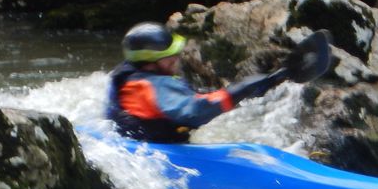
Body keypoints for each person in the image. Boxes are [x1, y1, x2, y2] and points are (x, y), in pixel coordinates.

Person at [106, 22, 288, 143]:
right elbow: (196, 111)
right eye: (168, 56)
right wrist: (243, 88)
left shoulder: (130, 76)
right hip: (154, 157)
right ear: (150, 63)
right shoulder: (150, 88)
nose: (176, 58)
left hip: (137, 147)